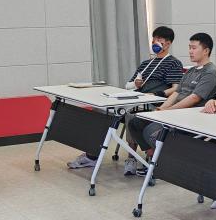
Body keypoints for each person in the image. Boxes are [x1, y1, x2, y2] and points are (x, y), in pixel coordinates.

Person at [70, 25, 184, 170]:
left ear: (168, 43)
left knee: (131, 115)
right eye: (153, 40)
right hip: (136, 98)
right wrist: (136, 84)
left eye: (159, 40)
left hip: (153, 103)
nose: (155, 43)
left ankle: (132, 158)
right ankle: (92, 155)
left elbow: (175, 89)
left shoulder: (173, 63)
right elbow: (128, 85)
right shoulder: (146, 63)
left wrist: (155, 94)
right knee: (100, 111)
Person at [128, 33, 216, 173]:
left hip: (188, 116)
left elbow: (194, 98)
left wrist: (168, 111)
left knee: (150, 131)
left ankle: (159, 162)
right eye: (189, 47)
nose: (190, 51)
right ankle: (153, 157)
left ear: (206, 50)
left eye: (194, 48)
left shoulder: (210, 72)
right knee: (135, 123)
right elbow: (177, 93)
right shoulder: (191, 70)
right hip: (173, 113)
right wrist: (160, 110)